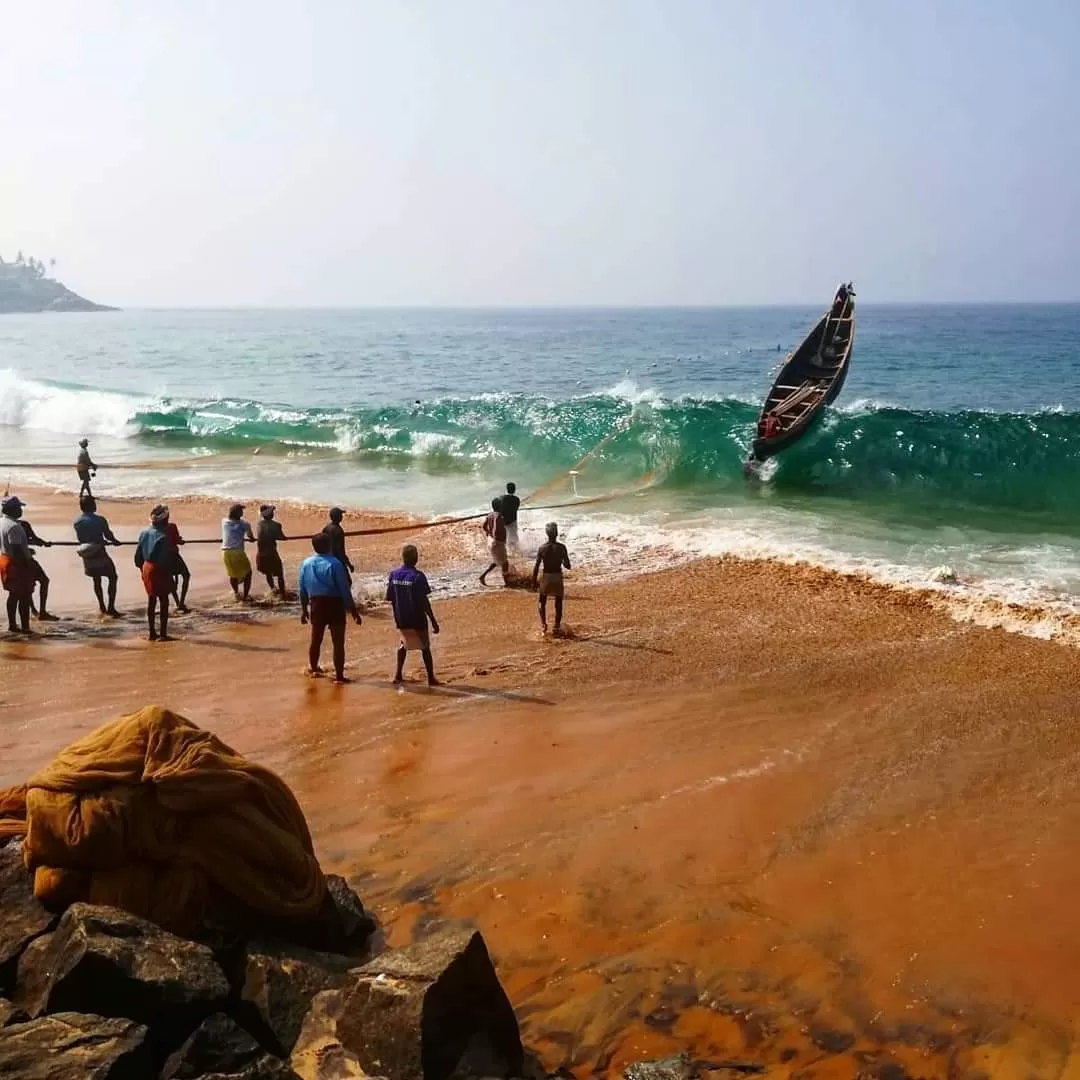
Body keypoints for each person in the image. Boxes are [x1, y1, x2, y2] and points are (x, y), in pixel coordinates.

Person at [298, 533, 361, 683]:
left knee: (315, 640)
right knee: (338, 643)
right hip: (334, 604)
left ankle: (313, 669)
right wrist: (353, 610)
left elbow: (302, 589)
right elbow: (344, 589)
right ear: (330, 546)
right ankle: (339, 676)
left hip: (316, 604)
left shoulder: (306, 563)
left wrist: (303, 610)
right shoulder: (335, 564)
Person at [386, 544, 440, 686]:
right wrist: (433, 620)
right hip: (416, 617)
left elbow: (390, 597)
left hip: (401, 617)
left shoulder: (394, 575)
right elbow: (424, 601)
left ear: (403, 558)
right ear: (416, 559)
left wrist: (397, 614)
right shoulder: (418, 576)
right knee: (425, 647)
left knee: (403, 644)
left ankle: (397, 674)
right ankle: (431, 678)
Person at [73, 495, 121, 616]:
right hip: (99, 552)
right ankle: (111, 608)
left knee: (96, 579)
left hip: (86, 553)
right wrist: (115, 541)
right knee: (113, 577)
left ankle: (102, 606)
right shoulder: (99, 520)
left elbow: (82, 537)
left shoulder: (77, 522)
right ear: (91, 506)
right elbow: (108, 535)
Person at [134, 505, 173, 642]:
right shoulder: (162, 537)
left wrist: (142, 571)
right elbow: (164, 561)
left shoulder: (144, 533)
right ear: (164, 521)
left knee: (151, 600)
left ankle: (152, 633)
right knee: (163, 601)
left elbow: (137, 557)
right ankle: (163, 634)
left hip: (146, 567)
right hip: (158, 569)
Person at [0, 496, 34, 634]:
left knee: (13, 595)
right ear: (12, 509)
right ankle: (25, 627)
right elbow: (16, 548)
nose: (21, 510)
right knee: (24, 597)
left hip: (4, 559)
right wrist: (28, 563)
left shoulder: (2, 522)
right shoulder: (14, 527)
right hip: (17, 564)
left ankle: (13, 624)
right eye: (19, 508)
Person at [532, 522, 572, 635]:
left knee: (542, 601)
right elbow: (568, 566)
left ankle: (544, 624)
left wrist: (533, 581)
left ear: (546, 534)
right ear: (557, 533)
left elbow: (536, 566)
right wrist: (564, 561)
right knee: (558, 603)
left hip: (546, 576)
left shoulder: (542, 548)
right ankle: (556, 626)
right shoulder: (561, 547)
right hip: (557, 576)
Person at [20, 516, 57, 621]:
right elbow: (35, 539)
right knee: (44, 581)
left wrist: (42, 543)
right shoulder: (23, 524)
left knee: (26, 586)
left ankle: (34, 611)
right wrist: (44, 543)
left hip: (10, 560)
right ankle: (42, 612)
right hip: (26, 559)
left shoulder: (3, 524)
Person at [221, 503, 255, 600]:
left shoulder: (224, 522)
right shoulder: (245, 524)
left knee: (232, 575)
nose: (242, 513)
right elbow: (251, 537)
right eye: (241, 511)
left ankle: (236, 593)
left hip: (225, 552)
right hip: (237, 552)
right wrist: (251, 538)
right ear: (238, 513)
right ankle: (245, 596)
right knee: (248, 574)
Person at [256, 504, 288, 596]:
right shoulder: (276, 525)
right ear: (270, 514)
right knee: (280, 575)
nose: (273, 513)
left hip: (261, 554)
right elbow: (281, 537)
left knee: (268, 574)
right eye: (272, 512)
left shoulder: (259, 524)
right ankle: (282, 593)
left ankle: (273, 589)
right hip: (272, 554)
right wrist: (284, 538)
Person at [480, 499, 509, 587]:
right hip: (497, 542)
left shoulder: (490, 515)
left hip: (492, 541)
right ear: (499, 506)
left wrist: (489, 533)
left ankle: (483, 576)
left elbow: (484, 526)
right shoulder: (498, 515)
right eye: (501, 504)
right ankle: (507, 582)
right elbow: (496, 526)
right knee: (505, 563)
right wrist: (495, 537)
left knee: (496, 561)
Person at [165, 514, 191, 613]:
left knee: (170, 579)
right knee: (186, 575)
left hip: (162, 557)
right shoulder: (172, 526)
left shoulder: (154, 529)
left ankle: (177, 602)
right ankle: (181, 603)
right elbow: (177, 541)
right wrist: (180, 541)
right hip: (173, 555)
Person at [321, 507, 354, 581]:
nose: (342, 516)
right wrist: (348, 564)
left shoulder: (326, 528)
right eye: (341, 515)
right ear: (338, 517)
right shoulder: (338, 531)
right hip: (337, 559)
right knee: (348, 582)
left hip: (327, 559)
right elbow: (341, 550)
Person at [496, 482, 521, 550]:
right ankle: (516, 550)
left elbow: (499, 509)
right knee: (514, 536)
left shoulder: (501, 498)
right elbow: (516, 508)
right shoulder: (517, 499)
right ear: (514, 490)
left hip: (504, 520)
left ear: (507, 489)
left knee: (505, 536)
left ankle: (507, 549)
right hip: (513, 520)